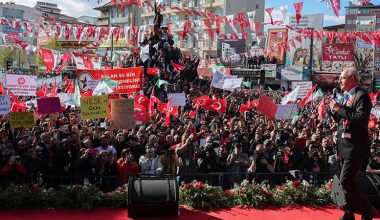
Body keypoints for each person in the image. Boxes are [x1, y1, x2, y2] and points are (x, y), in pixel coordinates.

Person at [328, 68, 377, 220]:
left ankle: (367, 209)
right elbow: (343, 120)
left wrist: (339, 109)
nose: (340, 81)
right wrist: (333, 111)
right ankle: (348, 213)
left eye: (342, 78)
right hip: (343, 145)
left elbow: (360, 117)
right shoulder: (346, 96)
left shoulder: (362, 96)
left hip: (355, 146)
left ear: (353, 79)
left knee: (345, 181)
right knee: (344, 183)